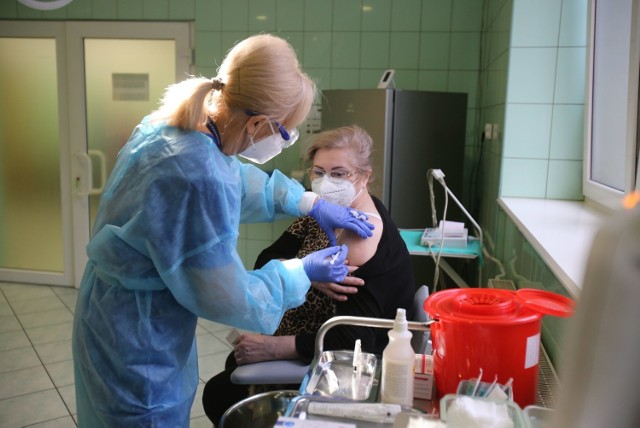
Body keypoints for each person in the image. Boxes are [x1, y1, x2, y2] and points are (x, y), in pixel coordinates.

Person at [71, 35, 375, 428]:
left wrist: (309, 202)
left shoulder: (176, 130)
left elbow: (236, 180)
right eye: (285, 134)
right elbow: (228, 297)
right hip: (136, 348)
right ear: (256, 124)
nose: (283, 143)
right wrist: (300, 271)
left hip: (114, 316)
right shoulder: (195, 175)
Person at [202, 125, 415, 425]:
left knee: (218, 394)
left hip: (330, 363)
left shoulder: (360, 234)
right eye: (319, 172)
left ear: (365, 176)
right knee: (230, 369)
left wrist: (272, 348)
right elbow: (265, 258)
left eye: (339, 173)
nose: (326, 182)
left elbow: (349, 341)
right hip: (303, 339)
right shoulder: (324, 214)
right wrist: (308, 274)